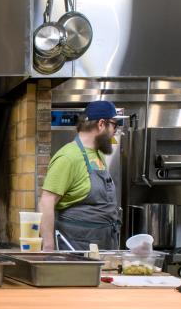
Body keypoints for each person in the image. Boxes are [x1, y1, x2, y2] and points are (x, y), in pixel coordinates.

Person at [39, 100, 125, 252]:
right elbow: (47, 201)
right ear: (101, 124)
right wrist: (48, 247)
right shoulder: (68, 157)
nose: (115, 130)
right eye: (114, 125)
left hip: (103, 245)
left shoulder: (97, 154)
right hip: (77, 248)